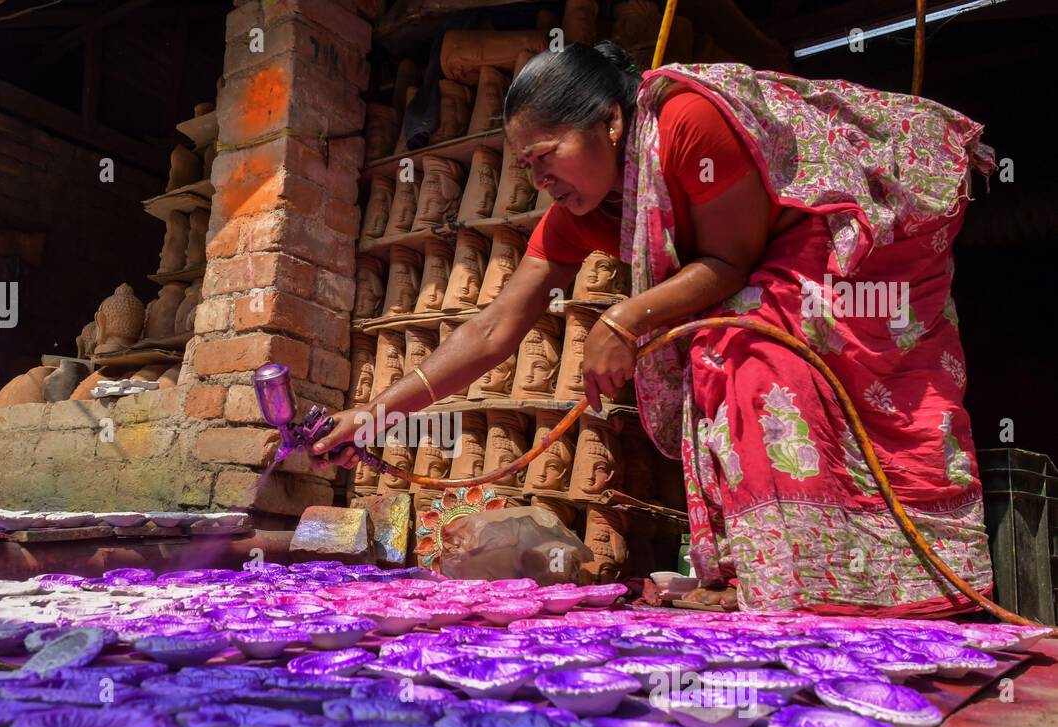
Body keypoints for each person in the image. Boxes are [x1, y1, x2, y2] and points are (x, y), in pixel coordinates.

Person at [314, 41, 996, 616]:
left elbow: (731, 261)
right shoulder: (581, 211)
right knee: (727, 351)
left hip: (850, 239)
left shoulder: (689, 123)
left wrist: (624, 316)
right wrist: (373, 416)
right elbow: (495, 330)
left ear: (610, 124)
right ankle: (788, 579)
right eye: (526, 168)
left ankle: (839, 586)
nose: (539, 180)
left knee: (749, 352)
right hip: (756, 266)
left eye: (546, 155)